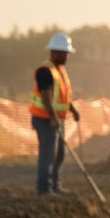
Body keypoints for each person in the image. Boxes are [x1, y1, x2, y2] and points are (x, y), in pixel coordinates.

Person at [30, 32, 80, 195]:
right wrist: (52, 118)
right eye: (64, 53)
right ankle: (44, 188)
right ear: (55, 52)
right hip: (44, 119)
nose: (67, 56)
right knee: (47, 155)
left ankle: (55, 185)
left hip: (56, 119)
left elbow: (63, 96)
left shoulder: (60, 71)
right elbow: (45, 97)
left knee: (59, 155)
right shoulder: (45, 71)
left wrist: (72, 110)